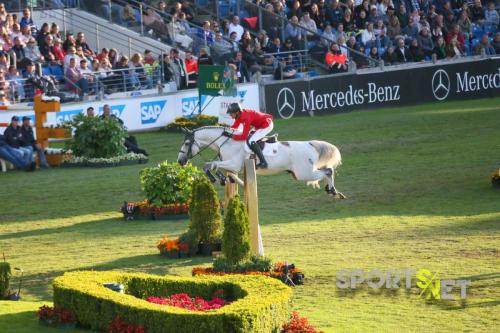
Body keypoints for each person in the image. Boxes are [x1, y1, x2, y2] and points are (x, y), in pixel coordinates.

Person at [223, 103, 273, 169]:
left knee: (251, 141)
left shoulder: (246, 117)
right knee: (249, 138)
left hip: (266, 125)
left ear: (237, 112)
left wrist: (230, 135)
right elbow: (235, 127)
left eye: (231, 113)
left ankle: (263, 162)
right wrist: (226, 129)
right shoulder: (239, 115)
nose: (230, 115)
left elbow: (244, 136)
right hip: (258, 125)